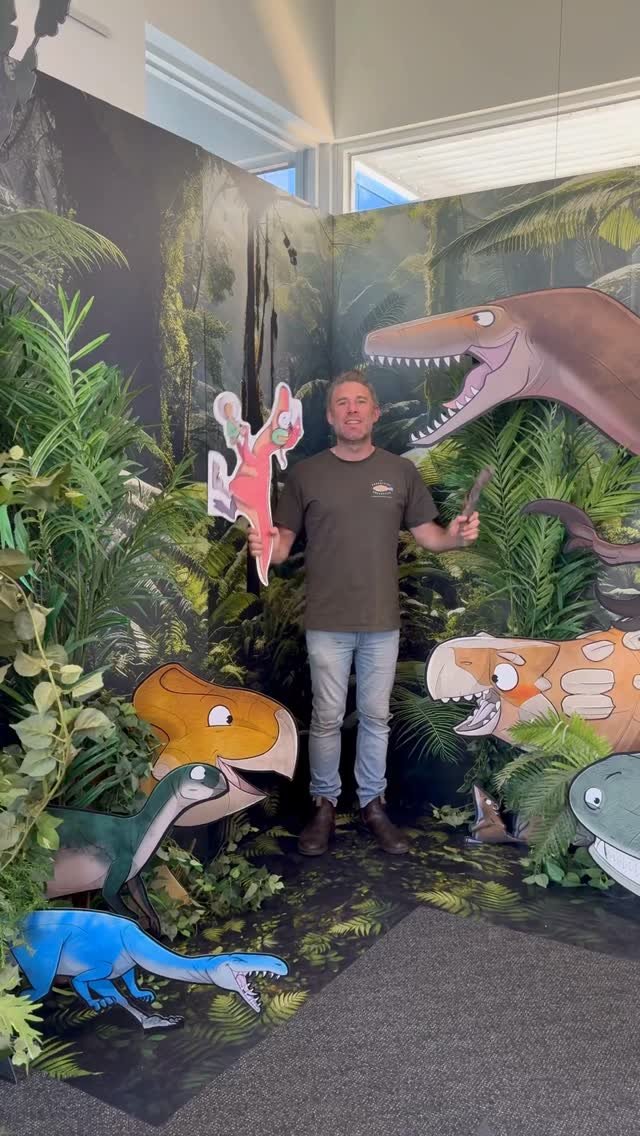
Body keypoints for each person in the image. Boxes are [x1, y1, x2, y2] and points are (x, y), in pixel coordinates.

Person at [247, 372, 479, 857]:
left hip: (380, 623)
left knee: (375, 717)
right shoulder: (306, 475)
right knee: (327, 718)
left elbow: (431, 537)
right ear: (330, 417)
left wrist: (456, 536)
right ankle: (324, 806)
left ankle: (373, 805)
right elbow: (282, 546)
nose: (352, 409)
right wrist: (264, 545)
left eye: (360, 402)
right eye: (342, 403)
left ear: (375, 413)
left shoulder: (400, 472)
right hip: (326, 621)